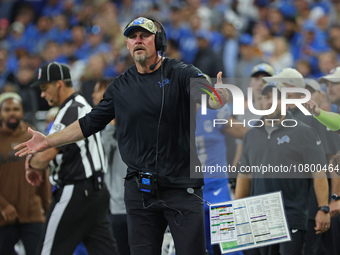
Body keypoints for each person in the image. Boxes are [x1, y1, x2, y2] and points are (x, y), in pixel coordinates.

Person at [14, 17, 229, 255]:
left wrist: (216, 96)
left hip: (182, 189)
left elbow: (205, 91)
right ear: (127, 44)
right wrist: (48, 141)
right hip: (141, 192)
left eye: (144, 35)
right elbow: (88, 123)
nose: (138, 40)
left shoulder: (181, 72)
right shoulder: (120, 86)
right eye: (132, 36)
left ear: (158, 41)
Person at [22, 62, 118, 255]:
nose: (42, 94)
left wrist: (31, 163)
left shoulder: (71, 110)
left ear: (59, 84)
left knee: (47, 252)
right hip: (96, 192)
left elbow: (46, 156)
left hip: (76, 191)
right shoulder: (80, 105)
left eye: (44, 88)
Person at [235, 82, 330, 255]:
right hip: (259, 217)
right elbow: (244, 175)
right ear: (259, 103)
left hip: (291, 216)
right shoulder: (251, 135)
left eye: (276, 97)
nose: (269, 102)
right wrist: (237, 212)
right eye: (265, 98)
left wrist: (324, 208)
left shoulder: (303, 132)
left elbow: (318, 172)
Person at [0, 92, 51, 255]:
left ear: (22, 112)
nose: (12, 113)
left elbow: (43, 172)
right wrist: (3, 205)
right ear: (1, 113)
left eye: (16, 109)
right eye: (7, 109)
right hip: (4, 215)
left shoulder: (32, 136)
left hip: (32, 212)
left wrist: (46, 205)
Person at [92, 78, 131, 255]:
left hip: (125, 204)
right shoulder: (100, 126)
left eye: (98, 91)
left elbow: (102, 156)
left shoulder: (125, 123)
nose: (93, 95)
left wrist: (110, 125)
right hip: (112, 204)